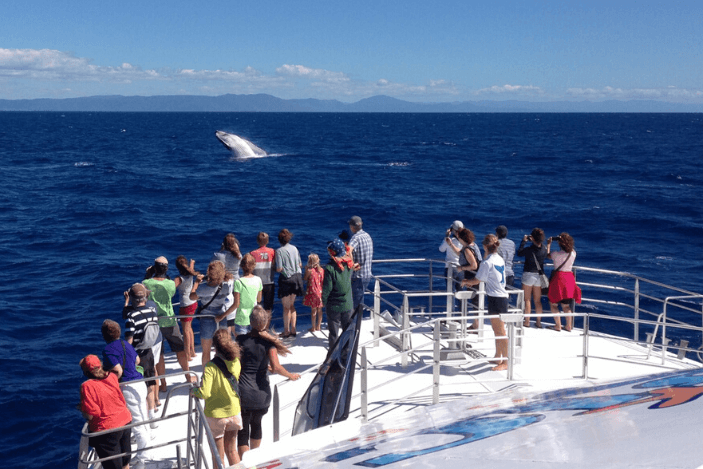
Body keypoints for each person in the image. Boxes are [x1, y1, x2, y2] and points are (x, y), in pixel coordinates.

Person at [235, 306, 300, 458]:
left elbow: (237, 364)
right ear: (265, 322)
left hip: (244, 393)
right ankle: (254, 461)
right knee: (257, 424)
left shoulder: (240, 340)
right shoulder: (269, 344)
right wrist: (290, 375)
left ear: (250, 322)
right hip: (262, 395)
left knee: (243, 431)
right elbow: (276, 367)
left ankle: (245, 465)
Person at [100, 319, 153, 462]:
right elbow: (137, 361)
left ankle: (145, 455)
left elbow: (118, 370)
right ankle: (147, 441)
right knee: (143, 414)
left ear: (105, 335)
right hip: (140, 382)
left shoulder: (108, 350)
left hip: (128, 386)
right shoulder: (125, 344)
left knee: (136, 420)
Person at [190, 329, 243, 468]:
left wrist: (194, 390)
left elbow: (204, 393)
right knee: (232, 451)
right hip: (234, 411)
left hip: (216, 416)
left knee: (218, 457)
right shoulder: (236, 361)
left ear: (215, 346)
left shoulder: (210, 367)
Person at [142, 256, 193, 390]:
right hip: (170, 321)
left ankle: (163, 384)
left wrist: (148, 275)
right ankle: (188, 377)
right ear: (166, 268)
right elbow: (170, 293)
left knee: (160, 355)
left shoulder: (146, 283)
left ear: (154, 267)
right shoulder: (170, 284)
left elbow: (143, 290)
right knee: (180, 350)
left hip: (154, 323)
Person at [462, 234, 509, 371]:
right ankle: (497, 356)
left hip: (496, 298)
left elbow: (478, 279)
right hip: (500, 297)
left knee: (500, 331)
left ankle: (505, 361)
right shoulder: (499, 259)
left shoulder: (487, 262)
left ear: (484, 246)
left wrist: (466, 282)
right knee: (497, 330)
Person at [79, 354, 133, 469]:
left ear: (85, 371)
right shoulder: (112, 376)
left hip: (108, 429)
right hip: (125, 421)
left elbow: (92, 414)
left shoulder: (87, 386)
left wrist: (82, 409)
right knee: (125, 462)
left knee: (113, 466)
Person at [122, 283, 162, 421]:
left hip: (136, 355)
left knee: (139, 388)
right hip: (148, 353)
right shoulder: (152, 312)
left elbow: (129, 341)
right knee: (150, 385)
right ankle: (152, 416)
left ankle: (143, 418)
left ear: (132, 298)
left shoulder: (131, 317)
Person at [190, 260, 235, 367]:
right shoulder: (225, 288)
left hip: (206, 319)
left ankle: (206, 375)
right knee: (222, 349)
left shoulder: (203, 288)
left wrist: (196, 283)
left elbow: (191, 297)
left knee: (206, 352)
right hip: (221, 316)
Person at [321, 238, 354, 347]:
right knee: (347, 331)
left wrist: (323, 301)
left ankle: (333, 358)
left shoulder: (330, 268)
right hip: (348, 303)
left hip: (334, 306)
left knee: (334, 334)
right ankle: (346, 356)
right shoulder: (349, 264)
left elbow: (327, 288)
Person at [547, 233, 582, 332]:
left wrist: (549, 244)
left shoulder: (555, 254)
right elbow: (569, 249)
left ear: (559, 243)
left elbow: (547, 255)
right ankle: (568, 326)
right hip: (569, 279)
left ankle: (558, 325)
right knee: (566, 306)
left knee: (553, 304)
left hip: (558, 279)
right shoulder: (573, 253)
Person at [275, 229, 304, 338]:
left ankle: (286, 331)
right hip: (297, 278)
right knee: (292, 305)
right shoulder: (295, 248)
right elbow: (300, 264)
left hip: (287, 279)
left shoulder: (279, 251)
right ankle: (293, 329)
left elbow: (279, 268)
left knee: (286, 307)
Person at [517, 228, 548, 328]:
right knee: (537, 301)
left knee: (527, 300)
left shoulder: (529, 250)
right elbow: (546, 253)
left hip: (529, 275)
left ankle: (527, 322)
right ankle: (538, 322)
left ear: (532, 238)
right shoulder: (544, 249)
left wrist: (524, 241)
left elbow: (519, 253)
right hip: (539, 276)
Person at [232, 254, 263, 336]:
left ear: (241, 266)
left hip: (241, 318)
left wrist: (223, 315)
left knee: (241, 345)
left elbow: (236, 304)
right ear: (254, 266)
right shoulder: (258, 280)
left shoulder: (238, 282)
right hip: (254, 317)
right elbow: (259, 299)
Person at [348, 216, 373, 318]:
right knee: (359, 300)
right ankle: (357, 322)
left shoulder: (356, 238)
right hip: (367, 274)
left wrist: (351, 264)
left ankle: (354, 325)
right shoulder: (367, 236)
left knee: (355, 302)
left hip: (358, 275)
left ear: (352, 227)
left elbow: (348, 250)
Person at [175, 256, 199, 360]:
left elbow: (171, 288)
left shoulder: (178, 279)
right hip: (193, 302)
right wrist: (192, 263)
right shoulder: (190, 274)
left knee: (185, 330)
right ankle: (192, 352)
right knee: (189, 328)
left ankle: (188, 355)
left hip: (185, 305)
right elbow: (191, 270)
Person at [250, 232, 276, 315]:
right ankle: (266, 327)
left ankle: (258, 326)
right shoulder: (272, 252)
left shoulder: (252, 253)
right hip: (269, 283)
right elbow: (275, 265)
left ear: (258, 241)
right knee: (268, 308)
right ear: (267, 241)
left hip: (257, 284)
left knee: (257, 307)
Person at [440, 220, 464, 292]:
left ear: (452, 230)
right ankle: (461, 304)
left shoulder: (450, 240)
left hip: (450, 268)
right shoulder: (464, 241)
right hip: (461, 268)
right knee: (460, 292)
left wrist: (446, 236)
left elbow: (441, 249)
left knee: (450, 291)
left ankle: (451, 304)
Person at [303, 253, 324, 332]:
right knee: (320, 310)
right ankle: (319, 326)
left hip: (313, 292)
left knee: (313, 311)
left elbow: (305, 278)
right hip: (320, 292)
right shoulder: (322, 270)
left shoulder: (310, 270)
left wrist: (305, 270)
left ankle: (313, 327)